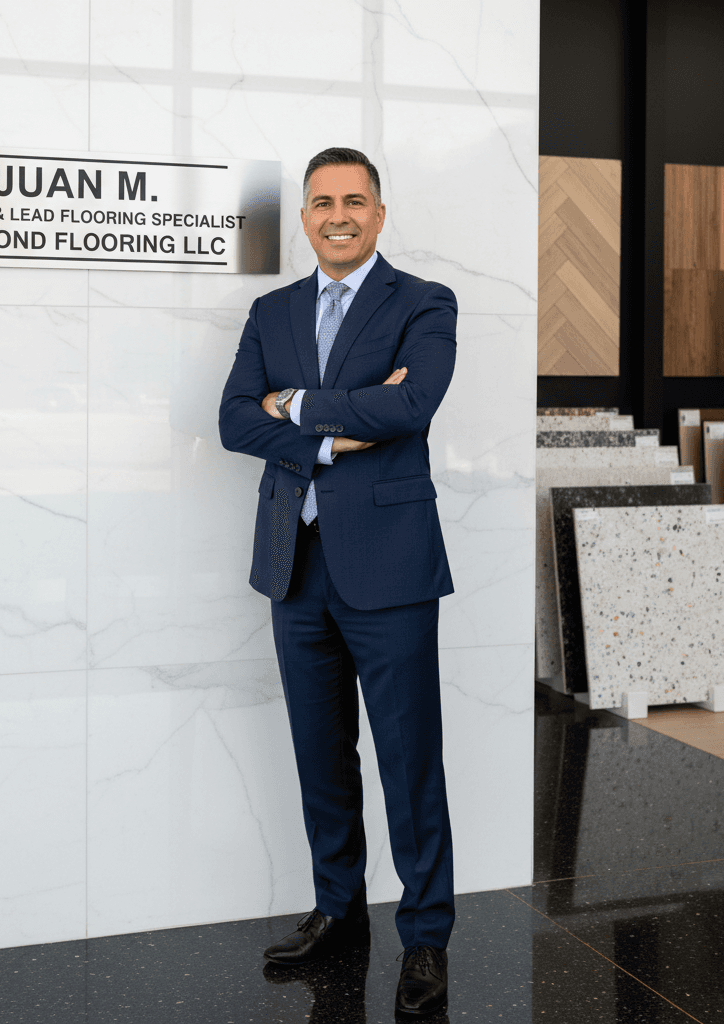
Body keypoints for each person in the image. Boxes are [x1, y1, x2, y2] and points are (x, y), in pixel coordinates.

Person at [218, 147, 458, 1018]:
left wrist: (297, 403)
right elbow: (232, 419)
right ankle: (338, 911)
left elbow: (411, 406)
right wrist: (327, 431)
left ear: (380, 213)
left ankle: (426, 934)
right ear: (307, 218)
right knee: (322, 759)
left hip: (390, 567)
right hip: (295, 566)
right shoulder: (271, 309)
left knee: (408, 760)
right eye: (322, 203)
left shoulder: (425, 303)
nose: (338, 215)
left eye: (354, 200)